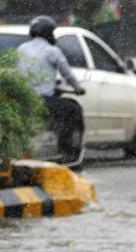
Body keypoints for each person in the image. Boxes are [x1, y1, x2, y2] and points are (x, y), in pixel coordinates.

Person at [16, 15, 85, 160]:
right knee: (73, 110)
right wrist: (78, 88)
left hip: (23, 100)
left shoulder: (21, 49)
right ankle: (67, 151)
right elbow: (67, 74)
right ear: (48, 33)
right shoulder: (52, 51)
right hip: (43, 101)